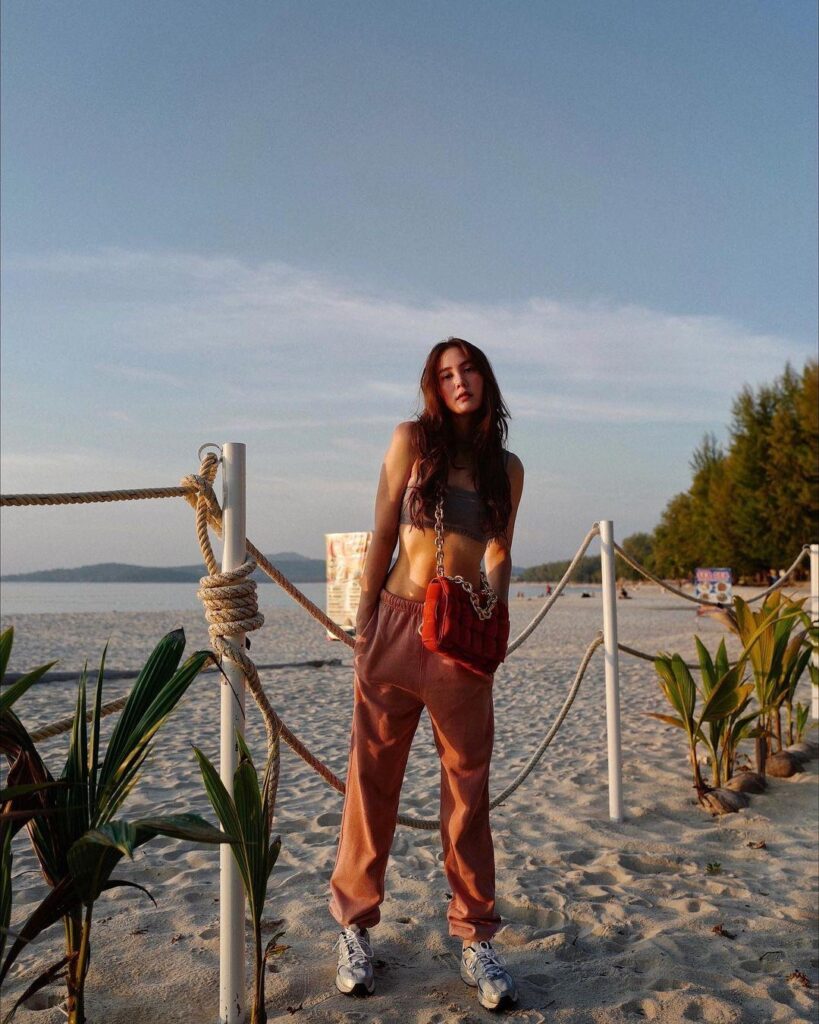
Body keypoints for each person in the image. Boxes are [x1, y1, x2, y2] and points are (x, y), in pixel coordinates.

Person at [328, 338, 525, 1011]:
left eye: (468, 369)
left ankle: (475, 938)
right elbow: (383, 530)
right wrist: (363, 621)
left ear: (485, 379)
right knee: (370, 784)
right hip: (394, 623)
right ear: (433, 387)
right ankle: (355, 929)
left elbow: (498, 550)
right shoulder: (410, 440)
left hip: (459, 641)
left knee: (467, 795)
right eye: (445, 374)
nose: (458, 380)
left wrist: (494, 600)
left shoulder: (507, 468)